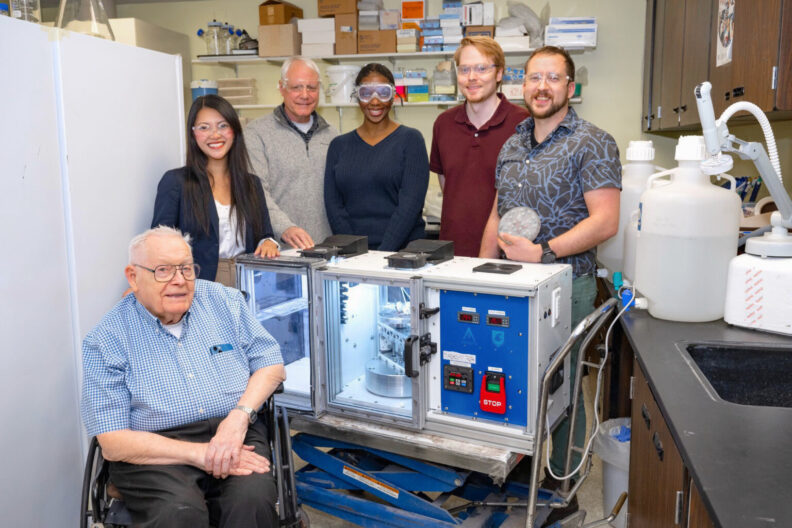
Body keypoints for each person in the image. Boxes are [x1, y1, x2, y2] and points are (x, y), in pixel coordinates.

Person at [479, 46, 621, 520]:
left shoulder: (592, 142)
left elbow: (605, 221)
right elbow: (497, 213)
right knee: (510, 382)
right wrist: (479, 271)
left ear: (570, 87)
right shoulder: (512, 143)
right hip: (511, 284)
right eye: (534, 77)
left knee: (561, 387)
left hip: (565, 286)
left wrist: (544, 252)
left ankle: (564, 489)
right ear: (522, 85)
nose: (542, 87)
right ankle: (520, 474)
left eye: (553, 78)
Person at [81, 226, 286, 528]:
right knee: (179, 514)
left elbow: (271, 363)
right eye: (163, 270)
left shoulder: (225, 301)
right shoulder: (106, 339)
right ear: (133, 277)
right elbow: (113, 442)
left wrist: (239, 418)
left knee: (251, 501)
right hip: (155, 450)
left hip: (234, 432)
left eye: (186, 269)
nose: (179, 280)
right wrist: (201, 453)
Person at [152, 94, 278, 287]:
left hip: (249, 283)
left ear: (234, 130)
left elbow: (264, 235)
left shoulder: (251, 184)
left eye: (222, 125)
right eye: (204, 127)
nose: (215, 134)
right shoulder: (176, 182)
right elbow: (158, 245)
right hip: (196, 286)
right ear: (193, 133)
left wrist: (268, 243)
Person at [430, 36, 529, 257]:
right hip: (453, 252)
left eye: (482, 68)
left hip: (506, 252)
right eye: (464, 69)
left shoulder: (523, 123)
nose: (472, 77)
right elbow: (447, 183)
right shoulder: (444, 124)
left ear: (499, 73)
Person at [324, 63, 429, 251]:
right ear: (357, 96)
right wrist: (353, 250)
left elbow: (410, 206)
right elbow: (334, 206)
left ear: (393, 96)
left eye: (383, 92)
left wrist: (381, 255)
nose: (374, 101)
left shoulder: (411, 140)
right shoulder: (338, 146)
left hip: (402, 253)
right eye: (366, 93)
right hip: (353, 255)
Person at [244, 57, 338, 250]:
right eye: (296, 87)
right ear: (281, 88)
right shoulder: (256, 133)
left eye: (311, 88)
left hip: (328, 249)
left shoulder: (333, 135)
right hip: (279, 249)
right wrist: (284, 228)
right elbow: (255, 192)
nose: (305, 95)